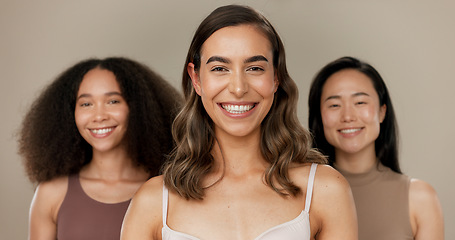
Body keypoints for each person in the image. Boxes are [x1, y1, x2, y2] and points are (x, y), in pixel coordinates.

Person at [121, 5, 357, 240]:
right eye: (220, 68)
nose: (238, 88)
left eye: (254, 68)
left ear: (276, 77)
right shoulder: (153, 203)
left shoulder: (324, 190)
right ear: (196, 78)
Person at [18, 57, 183, 240]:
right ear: (69, 113)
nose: (99, 116)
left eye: (113, 101)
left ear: (138, 108)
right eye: (86, 104)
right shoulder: (51, 193)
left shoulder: (165, 192)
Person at [308, 56, 444, 239]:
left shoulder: (420, 198)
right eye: (334, 105)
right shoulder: (304, 194)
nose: (348, 116)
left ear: (382, 112)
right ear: (319, 117)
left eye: (360, 102)